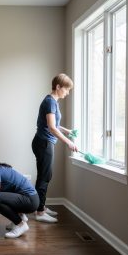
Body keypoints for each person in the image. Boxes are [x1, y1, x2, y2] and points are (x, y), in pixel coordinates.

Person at [32, 73, 78, 223]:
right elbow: (51, 128)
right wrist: (68, 142)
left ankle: (42, 207)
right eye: (66, 89)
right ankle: (39, 212)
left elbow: (53, 124)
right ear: (58, 87)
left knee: (46, 175)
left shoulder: (52, 102)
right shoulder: (50, 102)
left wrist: (67, 131)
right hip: (44, 143)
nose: (68, 92)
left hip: (43, 142)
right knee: (44, 177)